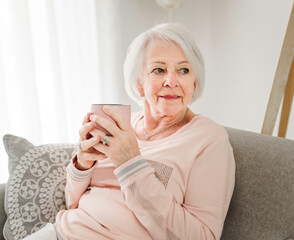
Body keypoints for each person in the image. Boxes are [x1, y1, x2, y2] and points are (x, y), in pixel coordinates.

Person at [25, 22, 235, 240]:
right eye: (159, 69)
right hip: (62, 233)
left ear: (194, 82)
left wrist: (130, 162)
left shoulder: (209, 140)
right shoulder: (122, 123)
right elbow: (73, 203)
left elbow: (202, 237)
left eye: (183, 70)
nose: (171, 81)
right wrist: (82, 165)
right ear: (139, 84)